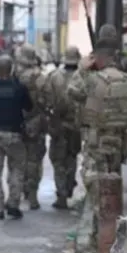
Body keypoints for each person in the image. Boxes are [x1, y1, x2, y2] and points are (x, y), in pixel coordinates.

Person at [68, 24, 127, 253]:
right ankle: (109, 236)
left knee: (96, 189)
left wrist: (83, 69)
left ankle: (101, 241)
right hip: (117, 141)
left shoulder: (93, 80)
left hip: (96, 141)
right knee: (112, 186)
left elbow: (72, 91)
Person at [0, 55, 32, 220]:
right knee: (17, 170)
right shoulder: (19, 88)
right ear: (12, 69)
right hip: (14, 134)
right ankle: (13, 204)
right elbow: (29, 108)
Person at [44, 46, 82, 209]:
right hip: (76, 125)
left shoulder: (54, 77)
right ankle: (68, 185)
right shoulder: (83, 77)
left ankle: (61, 194)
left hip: (58, 124)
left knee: (58, 160)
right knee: (72, 157)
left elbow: (47, 100)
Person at [14, 44, 47, 210]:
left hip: (17, 121)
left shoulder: (15, 75)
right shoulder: (40, 77)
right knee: (34, 160)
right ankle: (32, 196)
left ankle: (17, 194)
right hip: (36, 121)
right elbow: (48, 99)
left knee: (18, 160)